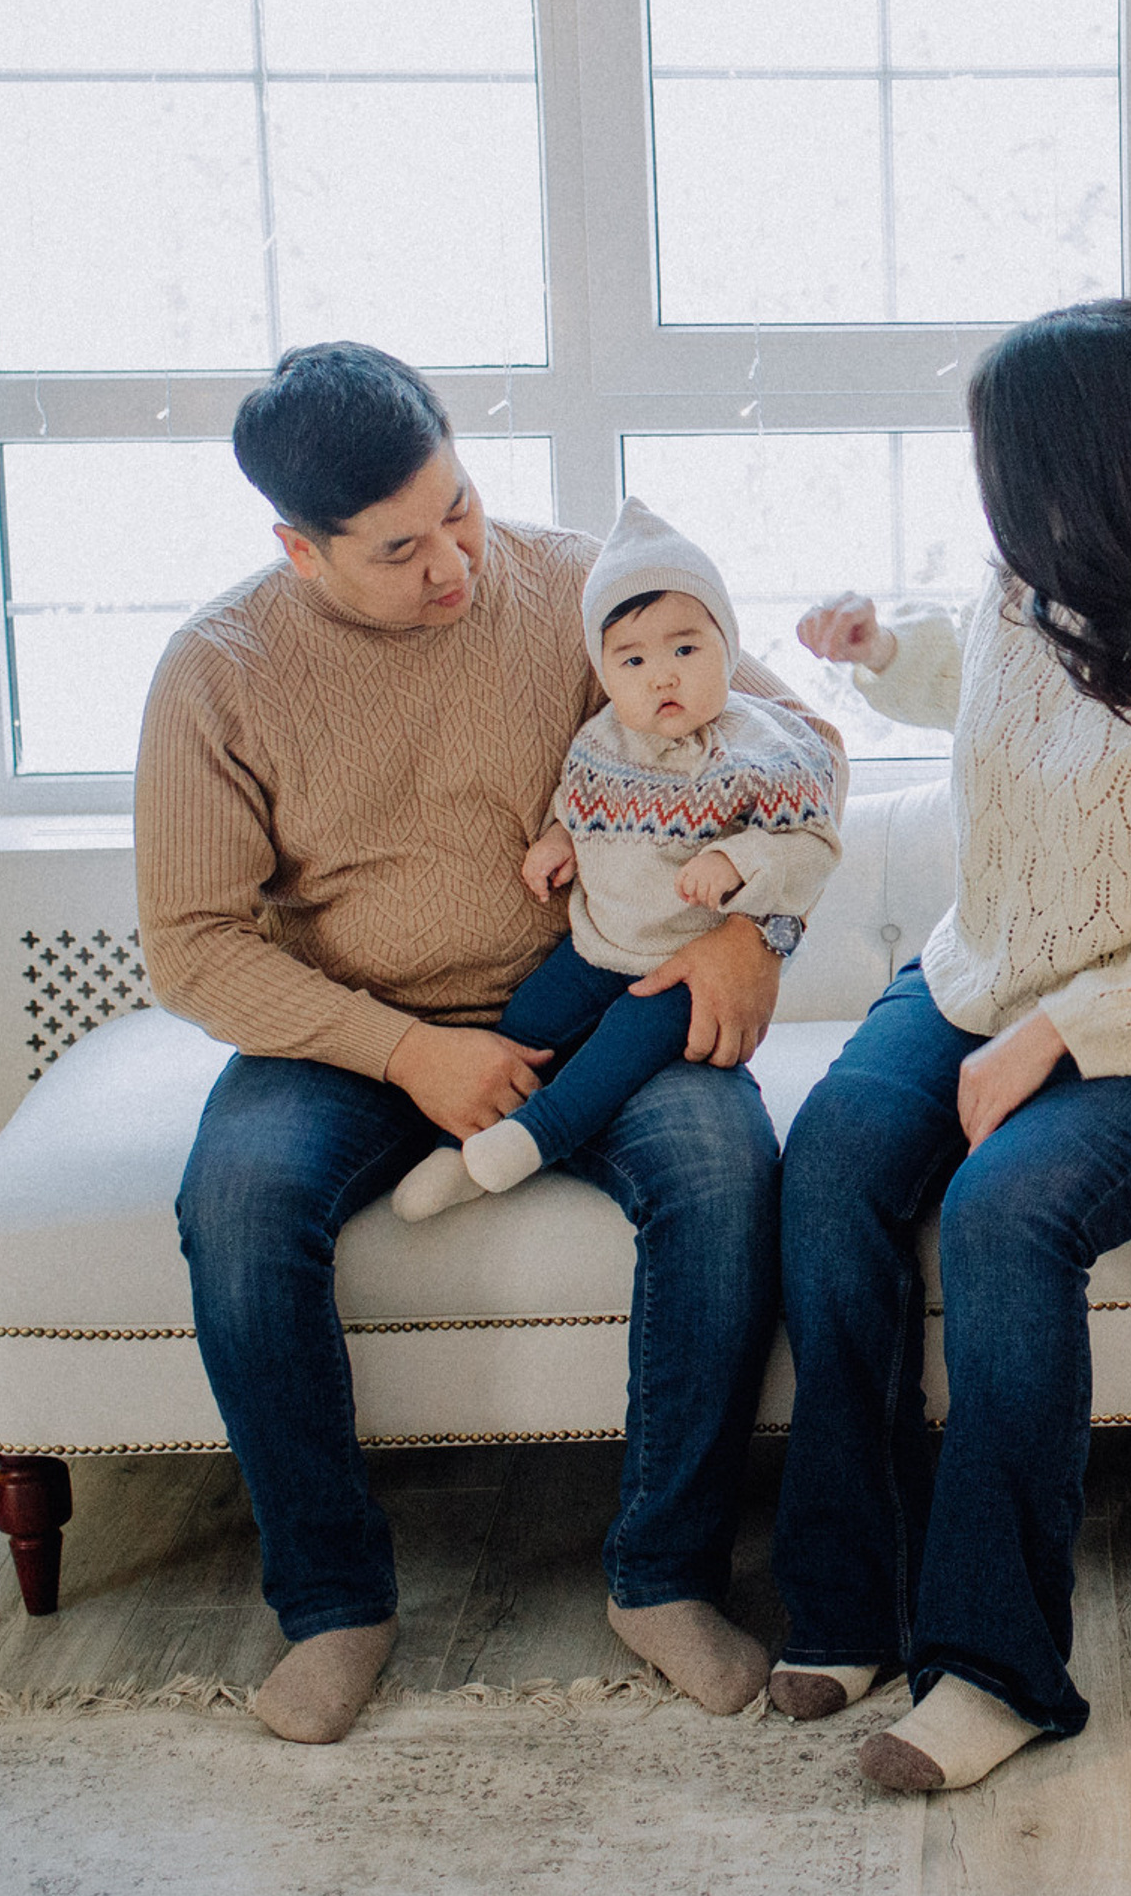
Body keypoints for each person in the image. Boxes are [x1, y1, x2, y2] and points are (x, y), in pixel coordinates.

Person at [139, 344, 835, 1744]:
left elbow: (802, 746)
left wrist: (749, 937)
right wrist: (406, 1055)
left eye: (458, 505)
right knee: (236, 1203)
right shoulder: (217, 672)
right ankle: (335, 1602)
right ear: (297, 547)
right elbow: (194, 946)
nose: (453, 560)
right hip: (344, 1031)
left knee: (724, 1173)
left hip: (596, 999)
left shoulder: (580, 588)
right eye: (399, 548)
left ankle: (660, 1577)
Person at [770, 298, 1131, 1794]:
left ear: (1091, 469)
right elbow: (982, 699)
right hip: (985, 972)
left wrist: (1058, 1034)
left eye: (1006, 471)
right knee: (833, 1162)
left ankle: (996, 1665)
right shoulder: (1027, 588)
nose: (992, 505)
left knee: (1004, 1215)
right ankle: (850, 1598)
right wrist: (878, 649)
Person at [392, 497, 844, 1221]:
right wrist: (556, 840)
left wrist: (736, 861)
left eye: (686, 650)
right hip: (598, 945)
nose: (662, 676)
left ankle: (528, 1146)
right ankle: (456, 1147)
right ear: (604, 671)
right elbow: (577, 800)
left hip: (684, 964)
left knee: (617, 1053)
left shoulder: (765, 746)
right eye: (634, 659)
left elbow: (811, 845)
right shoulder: (602, 738)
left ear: (729, 646)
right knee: (528, 1020)